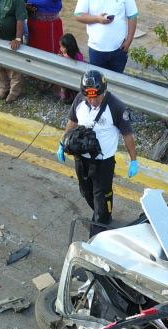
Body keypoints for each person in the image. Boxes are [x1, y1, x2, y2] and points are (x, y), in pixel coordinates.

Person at [57, 70, 139, 235]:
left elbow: (128, 135)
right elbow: (72, 122)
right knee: (86, 192)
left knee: (101, 199)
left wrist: (134, 160)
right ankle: (101, 215)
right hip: (81, 158)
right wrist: (62, 143)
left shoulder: (116, 107)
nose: (93, 100)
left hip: (103, 163)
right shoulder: (79, 100)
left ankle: (97, 232)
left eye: (97, 97)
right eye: (89, 97)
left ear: (104, 91)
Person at [74, 0, 138, 73]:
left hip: (119, 49)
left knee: (117, 80)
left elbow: (132, 15)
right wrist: (97, 19)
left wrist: (129, 39)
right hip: (96, 50)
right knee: (98, 80)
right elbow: (78, 15)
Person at [58, 34, 84, 103]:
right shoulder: (63, 54)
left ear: (69, 47)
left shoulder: (77, 56)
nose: (60, 48)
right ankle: (64, 94)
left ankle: (66, 95)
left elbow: (80, 65)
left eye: (62, 47)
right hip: (67, 76)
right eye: (60, 46)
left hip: (74, 77)